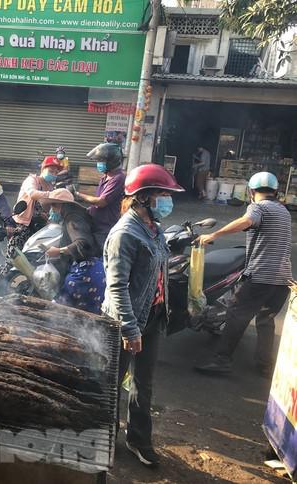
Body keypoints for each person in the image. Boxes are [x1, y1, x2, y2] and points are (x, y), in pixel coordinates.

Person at [103, 163, 184, 468]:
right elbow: (116, 286)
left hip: (152, 316)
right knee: (112, 385)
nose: (167, 200)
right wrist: (129, 328)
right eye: (163, 194)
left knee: (143, 384)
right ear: (143, 197)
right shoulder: (124, 234)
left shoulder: (155, 228)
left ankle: (138, 439)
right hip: (124, 322)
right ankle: (105, 437)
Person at [194, 172, 292, 377]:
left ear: (251, 191)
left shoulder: (258, 207)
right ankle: (265, 365)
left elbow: (247, 221)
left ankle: (222, 360)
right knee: (265, 319)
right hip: (283, 279)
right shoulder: (283, 211)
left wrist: (214, 234)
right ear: (276, 191)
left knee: (236, 314)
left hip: (261, 276)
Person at [38, 188, 103, 314]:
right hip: (96, 271)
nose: (52, 209)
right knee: (85, 318)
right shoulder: (78, 215)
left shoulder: (73, 219)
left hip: (84, 274)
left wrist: (59, 251)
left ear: (60, 205)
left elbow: (82, 244)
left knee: (56, 312)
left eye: (53, 205)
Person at [7, 155, 63, 260]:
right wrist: (51, 195)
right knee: (15, 259)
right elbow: (33, 194)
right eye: (51, 171)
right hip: (23, 225)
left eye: (56, 172)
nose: (53, 174)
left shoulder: (52, 187)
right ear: (43, 169)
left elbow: (53, 209)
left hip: (40, 228)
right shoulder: (32, 180)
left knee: (35, 260)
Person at [72, 142, 126, 249]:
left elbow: (101, 202)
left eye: (101, 160)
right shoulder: (105, 177)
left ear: (112, 161)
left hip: (105, 228)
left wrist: (77, 194)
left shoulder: (118, 178)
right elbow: (96, 204)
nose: (99, 163)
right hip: (96, 224)